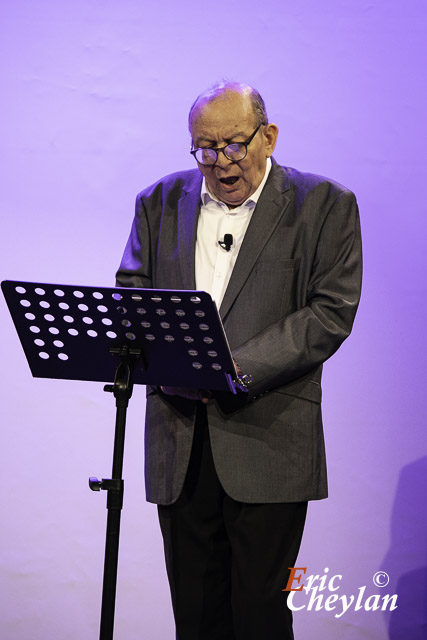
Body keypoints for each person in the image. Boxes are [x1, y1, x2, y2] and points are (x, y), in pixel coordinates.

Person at [115, 81, 362, 639]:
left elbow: (329, 313)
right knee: (196, 620)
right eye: (205, 148)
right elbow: (133, 298)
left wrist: (228, 370)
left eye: (233, 145)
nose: (221, 162)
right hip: (180, 443)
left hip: (268, 441)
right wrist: (174, 367)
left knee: (259, 619)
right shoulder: (159, 202)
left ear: (267, 137)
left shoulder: (324, 204)